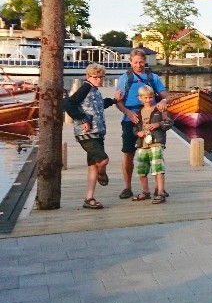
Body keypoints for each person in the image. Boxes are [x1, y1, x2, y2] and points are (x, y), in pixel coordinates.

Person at [116, 48, 169, 199]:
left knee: (155, 152)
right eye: (135, 62)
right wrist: (128, 112)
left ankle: (159, 189)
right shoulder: (124, 78)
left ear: (145, 61)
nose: (139, 65)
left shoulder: (153, 77)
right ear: (130, 62)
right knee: (128, 153)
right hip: (131, 119)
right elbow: (118, 102)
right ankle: (127, 187)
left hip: (151, 117)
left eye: (141, 62)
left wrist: (164, 101)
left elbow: (165, 96)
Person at [63, 64, 117, 210]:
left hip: (98, 132)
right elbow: (68, 103)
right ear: (88, 77)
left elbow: (99, 106)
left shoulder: (95, 91)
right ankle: (102, 174)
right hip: (86, 134)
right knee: (103, 160)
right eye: (96, 77)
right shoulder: (86, 87)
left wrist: (113, 101)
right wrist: (83, 119)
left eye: (101, 77)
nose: (99, 80)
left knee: (93, 165)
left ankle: (89, 198)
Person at [131, 85, 172, 204]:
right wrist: (138, 133)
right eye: (145, 98)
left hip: (156, 142)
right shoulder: (138, 113)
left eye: (150, 97)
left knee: (158, 167)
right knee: (141, 169)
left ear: (153, 97)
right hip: (142, 144)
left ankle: (160, 192)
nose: (148, 100)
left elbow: (169, 123)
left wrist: (158, 125)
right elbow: (134, 129)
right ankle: (145, 191)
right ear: (140, 98)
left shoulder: (159, 109)